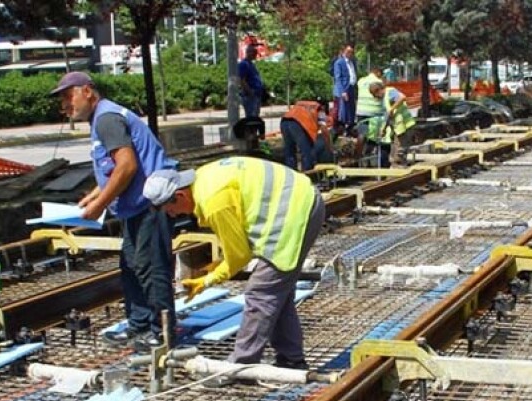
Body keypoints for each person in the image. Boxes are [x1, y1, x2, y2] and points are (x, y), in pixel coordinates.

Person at [51, 71, 176, 353]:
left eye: (68, 97)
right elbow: (112, 170)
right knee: (131, 266)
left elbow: (127, 166)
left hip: (149, 204)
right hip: (135, 206)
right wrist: (95, 196)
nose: (65, 106)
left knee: (150, 268)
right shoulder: (102, 118)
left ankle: (161, 332)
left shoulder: (107, 119)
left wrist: (98, 206)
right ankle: (140, 324)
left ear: (87, 91)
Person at [160, 157, 325, 369]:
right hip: (301, 202)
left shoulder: (213, 204)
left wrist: (210, 279)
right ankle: (291, 359)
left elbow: (240, 256)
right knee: (275, 293)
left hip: (294, 214)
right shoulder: (203, 178)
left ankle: (240, 366)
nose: (175, 215)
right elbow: (237, 247)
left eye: (172, 210)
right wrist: (218, 264)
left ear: (180, 194)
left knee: (259, 293)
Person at [366, 81, 415, 168]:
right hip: (398, 127)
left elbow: (402, 97)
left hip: (405, 124)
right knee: (397, 147)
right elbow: (388, 114)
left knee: (400, 147)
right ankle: (398, 165)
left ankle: (398, 165)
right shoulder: (385, 99)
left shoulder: (390, 91)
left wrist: (392, 108)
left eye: (375, 95)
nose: (376, 97)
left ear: (378, 91)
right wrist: (384, 128)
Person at [279, 100, 331, 171]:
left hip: (284, 121)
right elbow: (324, 129)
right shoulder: (320, 109)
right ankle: (308, 175)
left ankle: (291, 175)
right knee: (307, 152)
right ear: (324, 107)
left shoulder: (304, 105)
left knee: (289, 152)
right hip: (298, 125)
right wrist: (329, 146)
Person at [332, 44, 358, 135]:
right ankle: (340, 129)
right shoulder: (339, 62)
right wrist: (342, 91)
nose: (350, 54)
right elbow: (338, 78)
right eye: (348, 52)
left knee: (351, 109)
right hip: (343, 88)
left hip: (351, 87)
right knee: (343, 110)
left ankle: (350, 128)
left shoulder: (352, 62)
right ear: (343, 52)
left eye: (351, 52)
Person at [238, 44, 265, 119]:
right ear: (249, 53)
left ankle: (253, 130)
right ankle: (250, 131)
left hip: (256, 95)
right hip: (250, 96)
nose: (256, 55)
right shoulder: (244, 64)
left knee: (255, 117)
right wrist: (250, 92)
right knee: (251, 118)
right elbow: (242, 80)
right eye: (254, 53)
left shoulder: (251, 64)